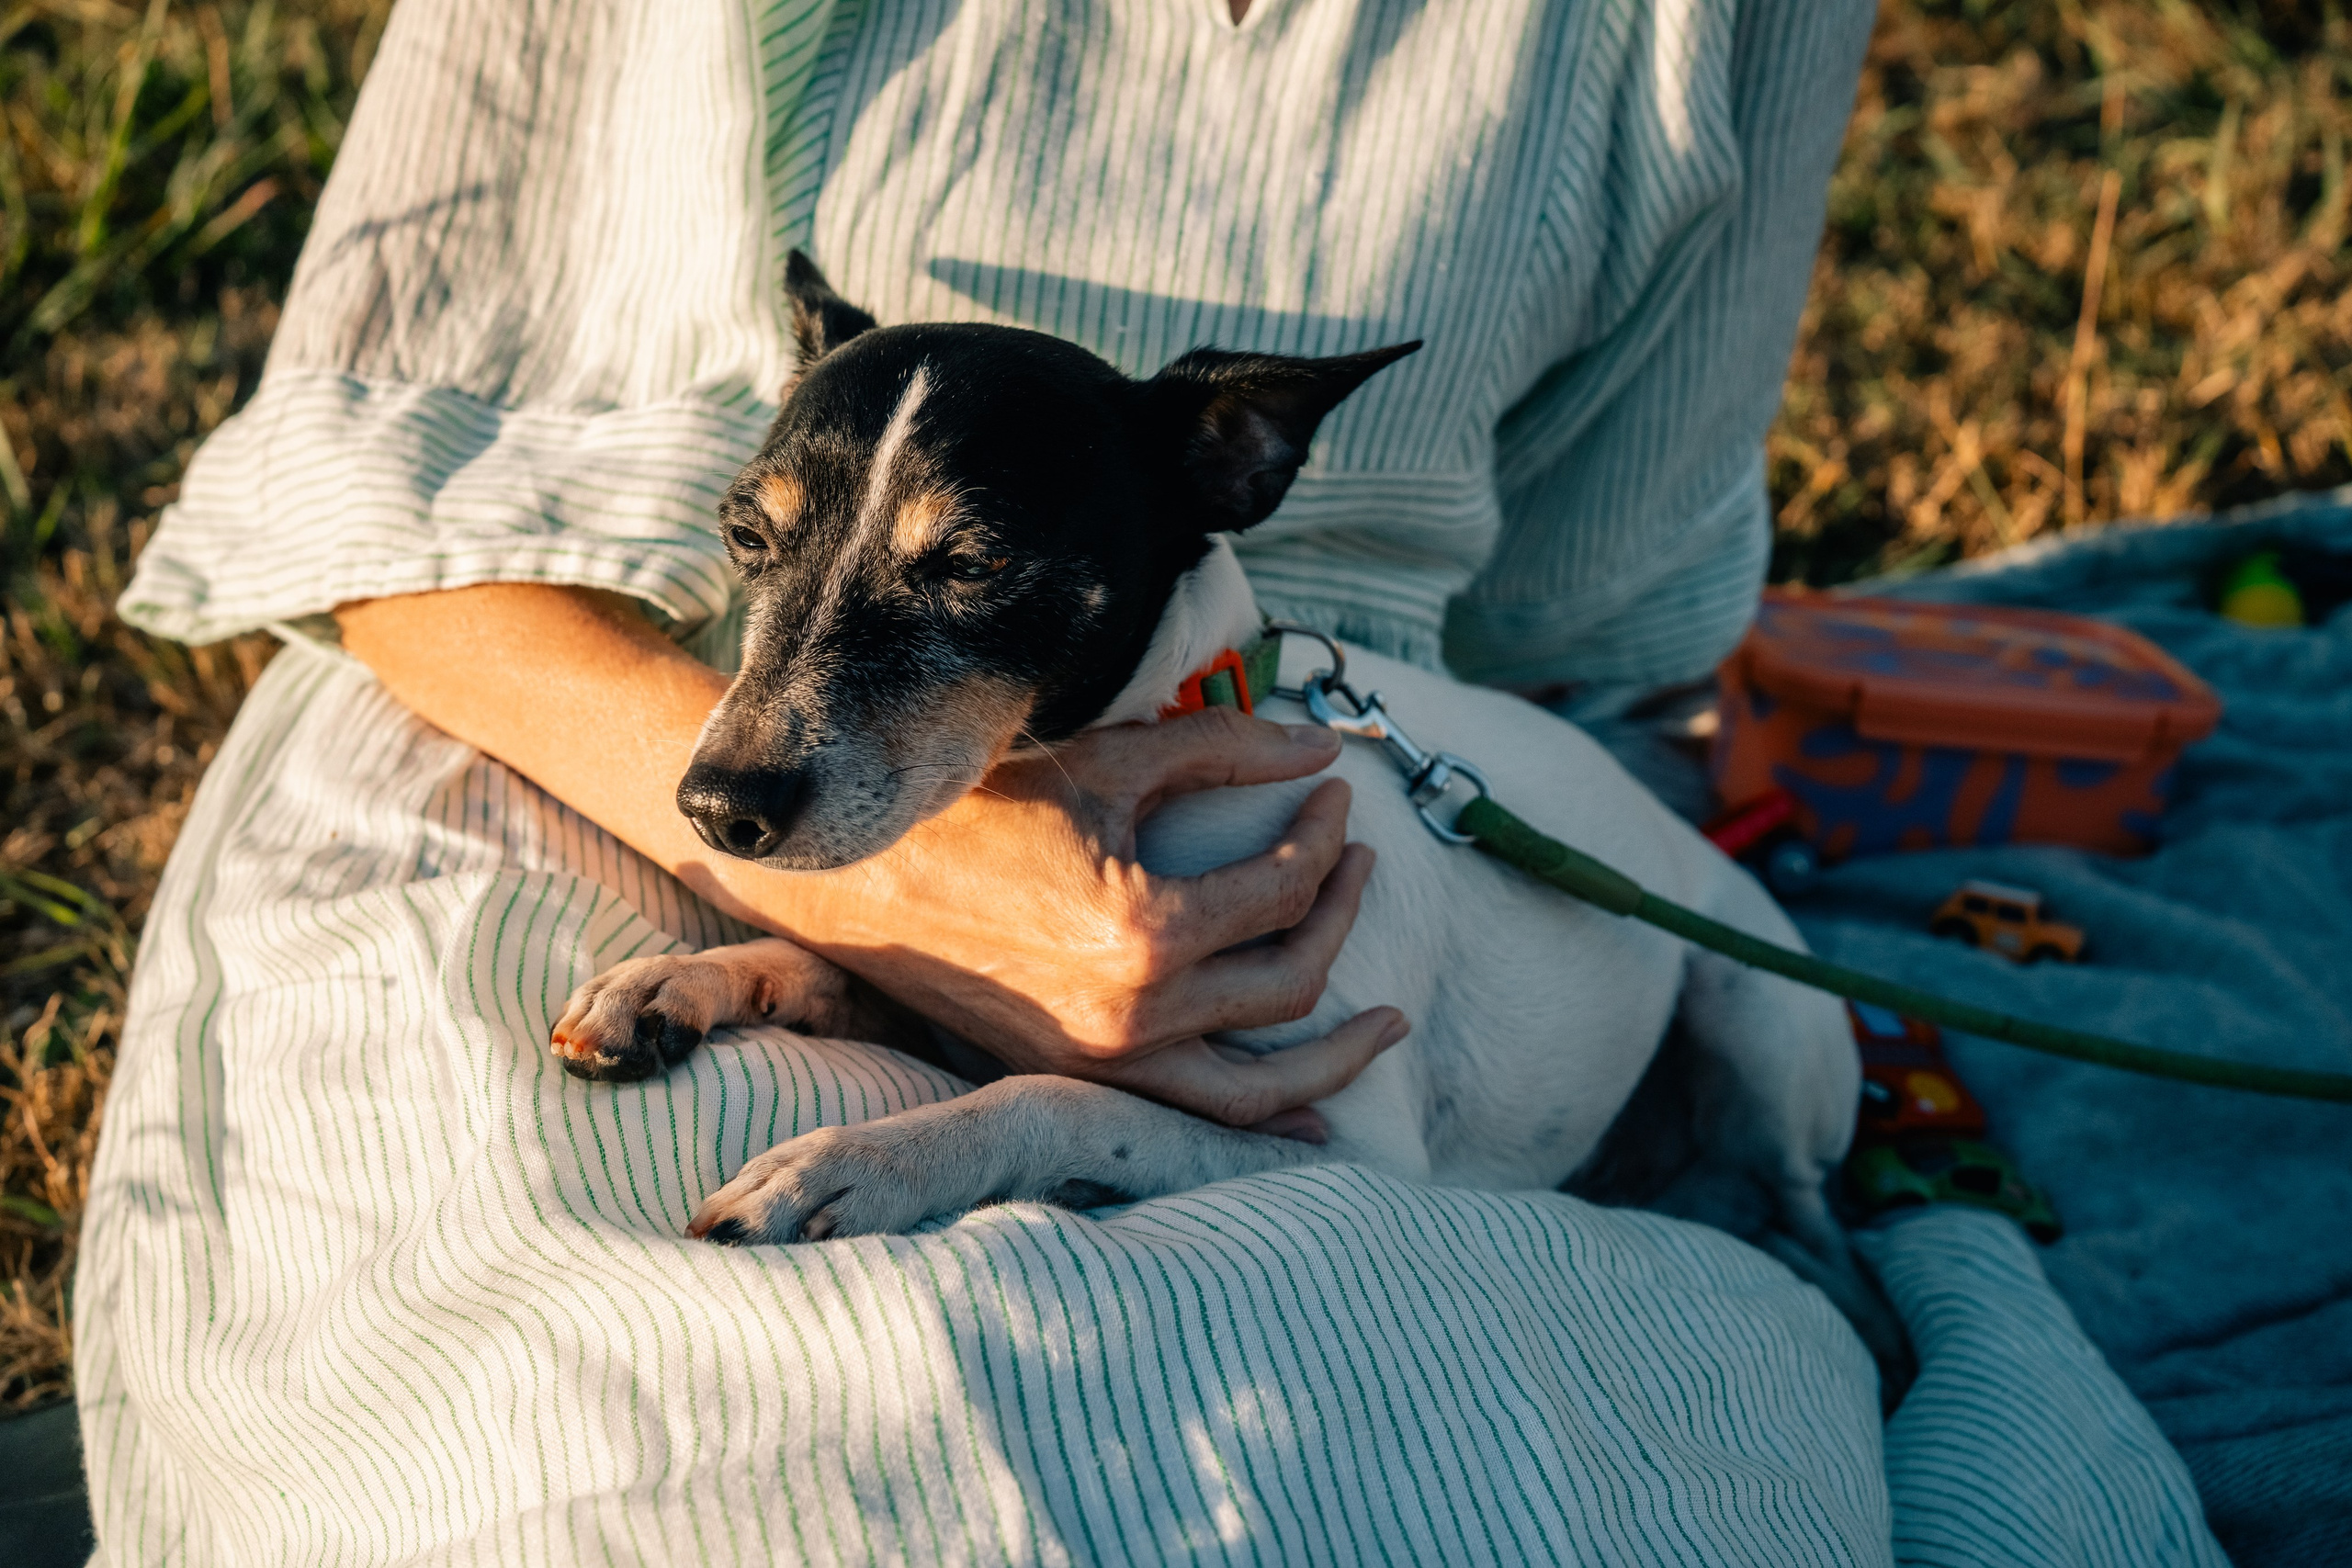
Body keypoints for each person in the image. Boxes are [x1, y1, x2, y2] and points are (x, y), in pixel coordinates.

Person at [82, 1, 2006, 1560]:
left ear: (1237, 475)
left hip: (1421, 1019)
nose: (774, 708)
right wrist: (846, 916)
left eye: (959, 575)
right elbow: (366, 488)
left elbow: (1603, 619)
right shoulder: (768, 701)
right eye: (771, 545)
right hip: (552, 732)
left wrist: (996, 1103)